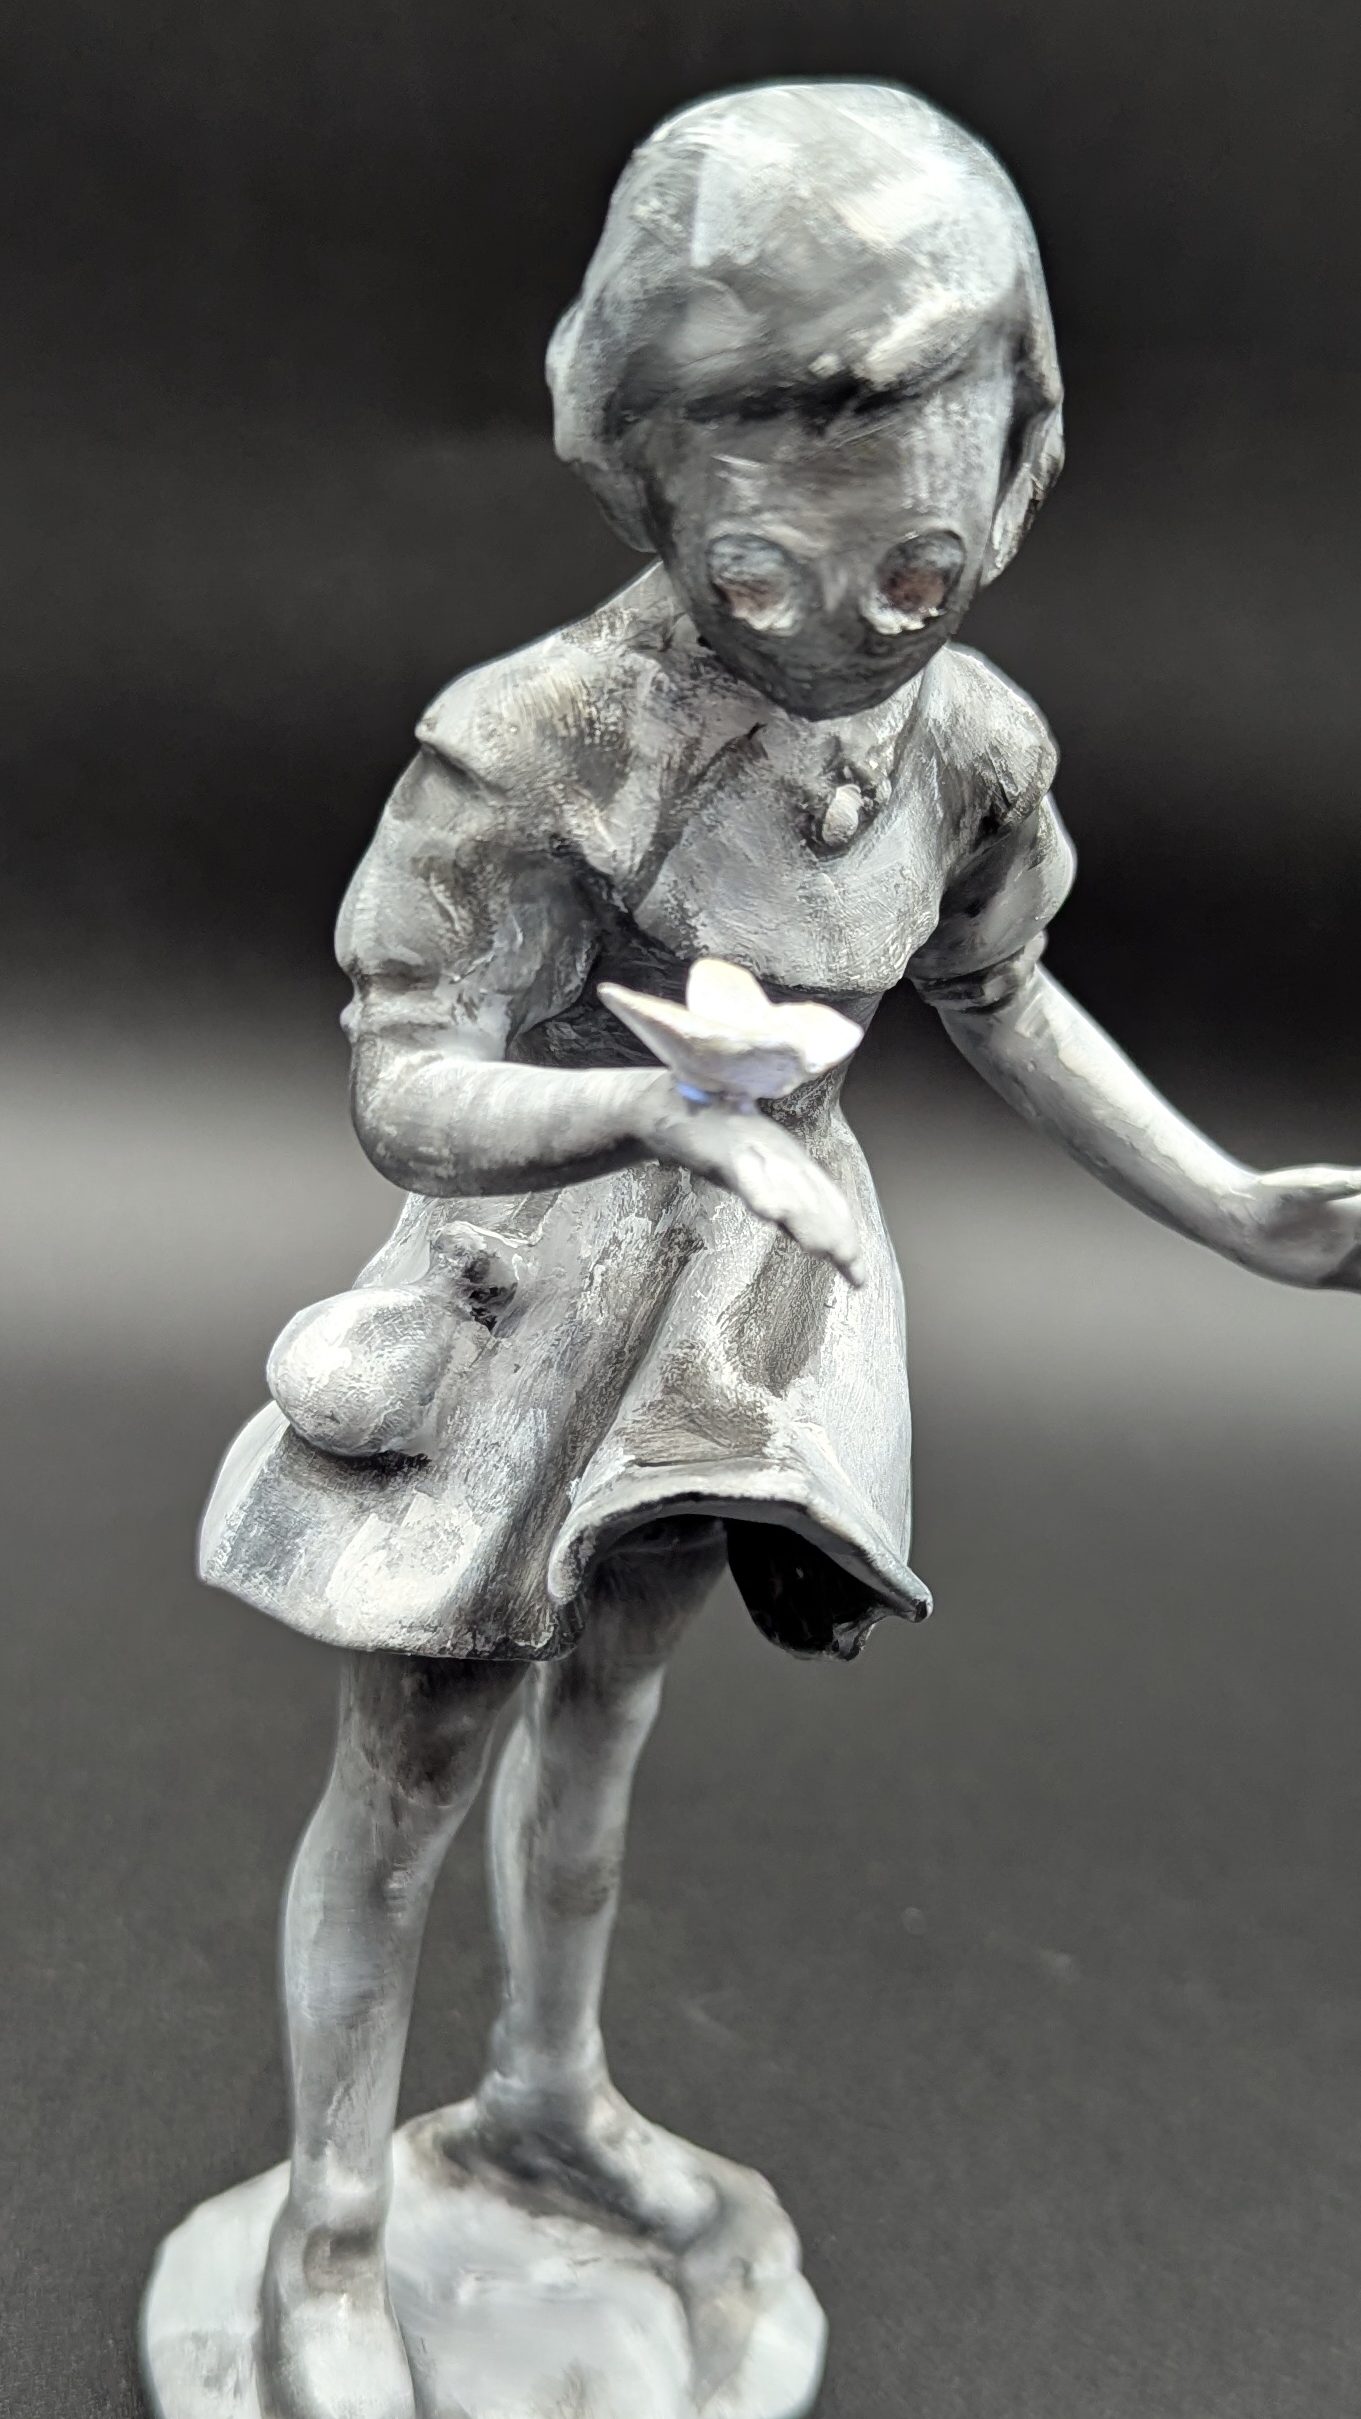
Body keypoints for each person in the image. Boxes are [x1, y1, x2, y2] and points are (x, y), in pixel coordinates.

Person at [196, 82, 1361, 2419]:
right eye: (765, 579)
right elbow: (406, 1079)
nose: (846, 632)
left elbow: (997, 991)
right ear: (644, 490)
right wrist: (647, 1109)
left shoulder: (968, 750)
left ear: (1017, 480)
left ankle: (546, 2092)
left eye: (912, 574)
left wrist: (1230, 1203)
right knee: (413, 1764)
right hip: (519, 1301)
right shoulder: (537, 741)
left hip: (751, 1310)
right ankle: (329, 2222)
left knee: (611, 1714)